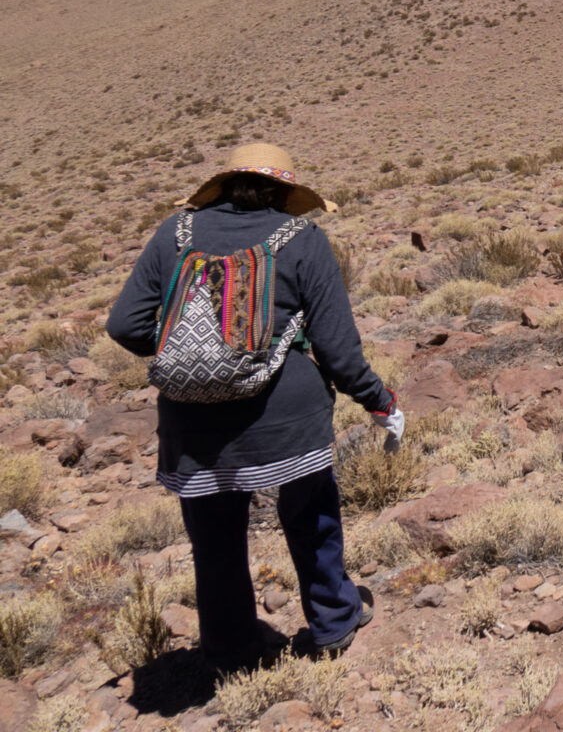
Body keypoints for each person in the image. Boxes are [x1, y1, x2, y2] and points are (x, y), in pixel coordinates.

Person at [107, 143, 399, 672]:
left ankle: (229, 651)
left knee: (214, 537)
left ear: (222, 186)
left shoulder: (175, 233)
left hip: (192, 421)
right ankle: (334, 621)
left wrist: (190, 349)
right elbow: (336, 348)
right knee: (310, 512)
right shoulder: (303, 240)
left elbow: (124, 325)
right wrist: (378, 401)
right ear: (285, 193)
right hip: (286, 414)